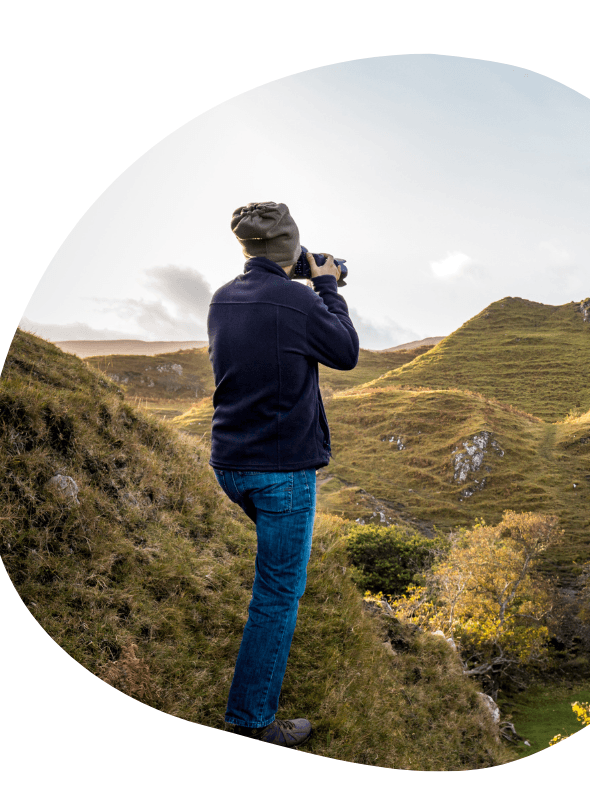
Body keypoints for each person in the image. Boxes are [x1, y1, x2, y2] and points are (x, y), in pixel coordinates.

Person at [207, 201, 359, 747]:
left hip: (230, 465)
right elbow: (345, 352)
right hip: (281, 472)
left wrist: (301, 278)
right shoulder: (300, 299)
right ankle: (251, 722)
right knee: (275, 593)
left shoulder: (222, 297)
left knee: (273, 577)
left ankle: (254, 682)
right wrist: (328, 286)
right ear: (293, 248)